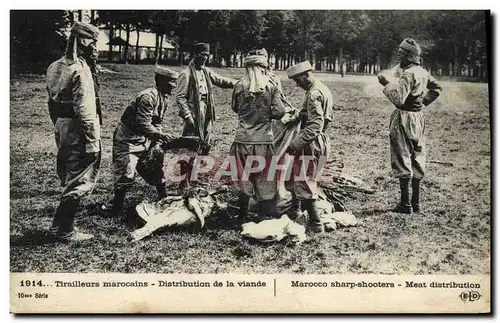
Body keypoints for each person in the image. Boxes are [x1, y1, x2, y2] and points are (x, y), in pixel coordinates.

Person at [46, 22, 101, 241]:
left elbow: (50, 102)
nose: (95, 49)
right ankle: (66, 230)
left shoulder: (54, 66)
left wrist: (59, 125)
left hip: (62, 124)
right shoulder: (80, 69)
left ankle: (57, 226)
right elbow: (85, 109)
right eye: (93, 44)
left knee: (70, 175)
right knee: (78, 178)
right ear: (83, 42)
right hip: (78, 127)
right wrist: (92, 141)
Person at [377, 38, 442, 214]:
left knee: (402, 156)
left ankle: (405, 204)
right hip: (418, 118)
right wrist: (422, 103)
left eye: (401, 53)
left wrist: (386, 84)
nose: (399, 56)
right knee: (417, 156)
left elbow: (398, 100)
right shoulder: (422, 71)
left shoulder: (408, 74)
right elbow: (436, 88)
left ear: (409, 56)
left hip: (404, 118)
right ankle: (416, 203)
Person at [110, 66, 178, 217]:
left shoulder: (164, 98)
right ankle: (116, 209)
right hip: (127, 138)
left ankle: (164, 199)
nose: (175, 85)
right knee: (125, 174)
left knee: (156, 167)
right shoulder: (148, 97)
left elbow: (157, 122)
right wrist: (161, 136)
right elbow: (143, 123)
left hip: (145, 139)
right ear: (162, 81)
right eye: (172, 82)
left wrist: (159, 137)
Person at [229, 50, 286, 222]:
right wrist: (266, 114)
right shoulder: (271, 86)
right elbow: (280, 112)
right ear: (263, 68)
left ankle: (242, 214)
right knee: (264, 177)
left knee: (243, 177)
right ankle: (262, 215)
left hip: (242, 139)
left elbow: (234, 107)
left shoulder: (239, 85)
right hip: (263, 140)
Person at [176, 42, 237, 189]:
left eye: (206, 56)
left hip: (206, 112)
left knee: (204, 146)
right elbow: (180, 97)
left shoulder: (206, 72)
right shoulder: (186, 74)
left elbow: (221, 81)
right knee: (189, 147)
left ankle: (195, 177)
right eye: (201, 55)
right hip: (193, 114)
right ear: (194, 55)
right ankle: (184, 181)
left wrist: (239, 83)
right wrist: (188, 116)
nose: (203, 58)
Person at [285, 61, 334, 233]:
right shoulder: (322, 88)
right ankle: (295, 210)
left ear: (306, 75)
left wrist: (295, 144)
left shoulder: (313, 94)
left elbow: (315, 125)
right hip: (318, 141)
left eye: (298, 80)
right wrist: (299, 115)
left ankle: (315, 222)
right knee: (296, 175)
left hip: (310, 143)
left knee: (305, 181)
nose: (297, 84)